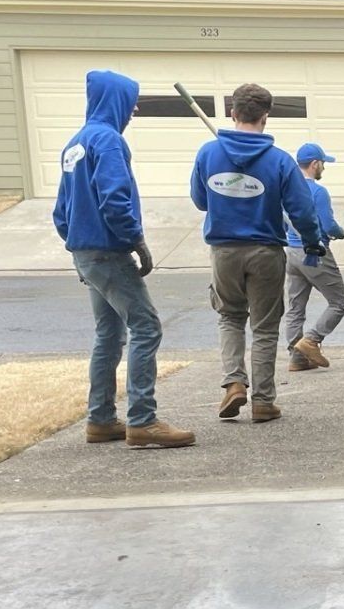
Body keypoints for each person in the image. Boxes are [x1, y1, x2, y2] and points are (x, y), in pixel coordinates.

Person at [50, 70, 195, 449]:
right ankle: (143, 420)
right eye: (131, 101)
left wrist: (78, 251)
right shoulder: (109, 142)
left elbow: (61, 212)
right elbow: (115, 199)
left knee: (109, 335)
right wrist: (136, 241)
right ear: (115, 100)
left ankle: (100, 420)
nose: (134, 109)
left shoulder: (75, 144)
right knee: (147, 327)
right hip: (109, 252)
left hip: (86, 253)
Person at [189, 83, 324, 423]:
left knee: (231, 317)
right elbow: (302, 210)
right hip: (265, 251)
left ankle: (234, 382)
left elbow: (201, 200)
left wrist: (229, 193)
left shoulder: (208, 153)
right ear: (266, 116)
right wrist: (312, 240)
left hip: (223, 251)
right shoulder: (279, 161)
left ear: (233, 113)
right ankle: (263, 401)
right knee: (264, 327)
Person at [283, 142, 344, 373]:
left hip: (291, 253)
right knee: (339, 303)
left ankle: (297, 358)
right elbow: (328, 224)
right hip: (314, 252)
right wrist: (340, 233)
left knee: (295, 307)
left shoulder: (286, 189)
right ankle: (311, 340)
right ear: (314, 164)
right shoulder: (317, 191)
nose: (323, 167)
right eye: (323, 163)